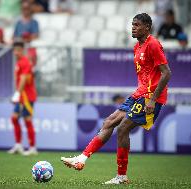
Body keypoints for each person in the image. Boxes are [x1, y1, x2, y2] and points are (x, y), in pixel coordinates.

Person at [61, 13, 171, 184]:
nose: (133, 27)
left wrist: (152, 99)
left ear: (147, 27)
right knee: (109, 121)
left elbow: (166, 73)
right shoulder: (137, 47)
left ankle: (121, 176)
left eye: (137, 25)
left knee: (123, 128)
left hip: (150, 97)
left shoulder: (153, 44)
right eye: (132, 24)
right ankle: (81, 159)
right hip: (138, 94)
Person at [7, 41, 38, 156]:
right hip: (21, 96)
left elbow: (24, 79)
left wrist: (17, 94)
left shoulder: (25, 62)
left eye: (18, 50)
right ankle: (18, 145)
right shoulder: (19, 62)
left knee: (27, 120)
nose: (16, 52)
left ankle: (32, 147)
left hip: (27, 96)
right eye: (14, 50)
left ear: (22, 50)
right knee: (14, 118)